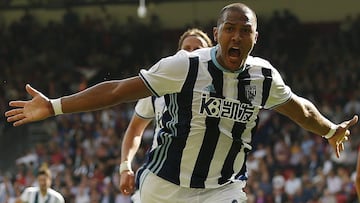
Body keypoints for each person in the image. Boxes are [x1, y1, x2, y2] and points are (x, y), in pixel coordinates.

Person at [5, 3, 358, 202]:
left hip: (223, 187)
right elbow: (115, 92)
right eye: (229, 29)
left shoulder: (263, 77)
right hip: (164, 187)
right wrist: (55, 106)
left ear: (255, 37)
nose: (236, 36)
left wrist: (329, 130)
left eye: (244, 30)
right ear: (217, 32)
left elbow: (300, 108)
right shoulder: (183, 67)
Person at [119, 28, 213, 201]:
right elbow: (134, 129)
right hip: (161, 182)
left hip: (204, 188)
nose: (191, 53)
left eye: (197, 49)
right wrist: (125, 166)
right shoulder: (159, 86)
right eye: (187, 48)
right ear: (179, 53)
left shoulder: (221, 91)